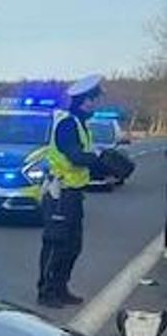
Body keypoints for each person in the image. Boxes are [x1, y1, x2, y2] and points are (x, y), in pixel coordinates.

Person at [36, 74, 110, 307]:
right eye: (95, 100)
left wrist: (102, 168)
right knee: (56, 243)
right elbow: (75, 156)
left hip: (73, 193)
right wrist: (99, 159)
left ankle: (60, 287)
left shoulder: (80, 124)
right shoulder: (67, 124)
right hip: (60, 193)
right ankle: (46, 291)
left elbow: (82, 160)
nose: (97, 105)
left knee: (72, 246)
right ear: (86, 100)